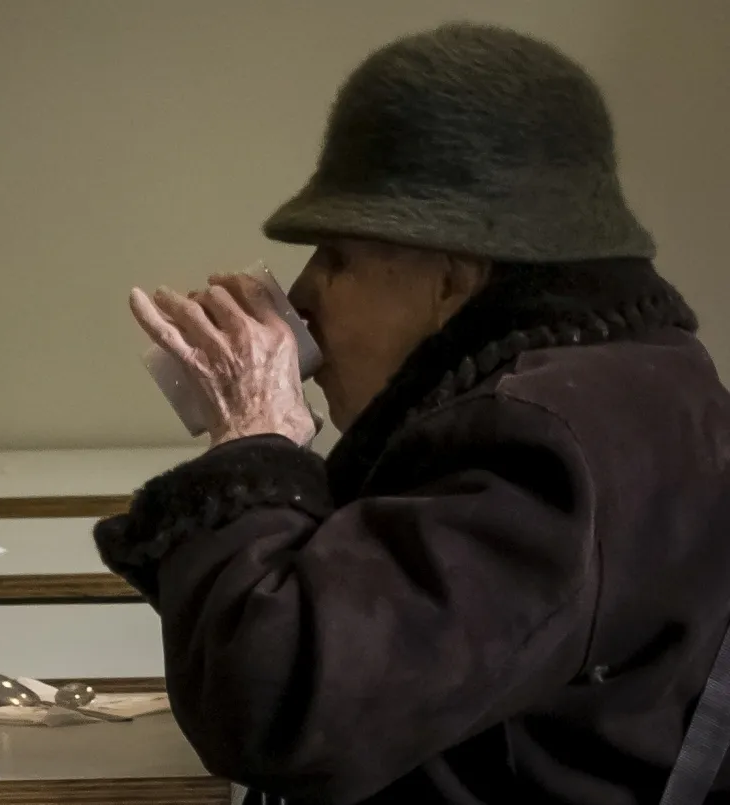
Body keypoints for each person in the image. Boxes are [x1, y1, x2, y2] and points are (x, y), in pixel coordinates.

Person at [95, 22, 730, 804]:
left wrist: (253, 438)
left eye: (337, 257)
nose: (300, 297)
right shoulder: (627, 382)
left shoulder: (533, 444)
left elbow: (275, 711)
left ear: (453, 278)